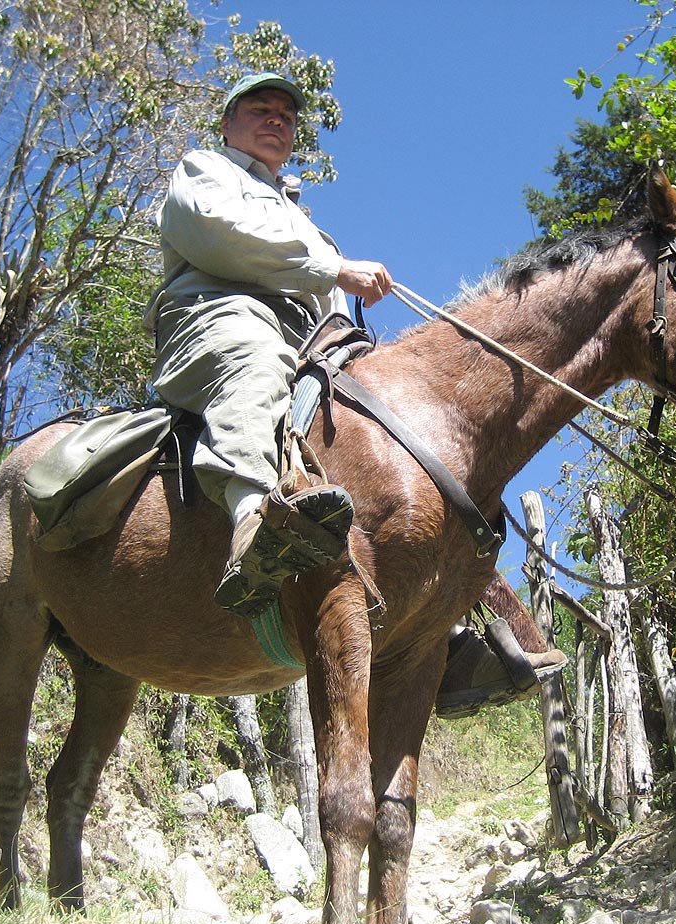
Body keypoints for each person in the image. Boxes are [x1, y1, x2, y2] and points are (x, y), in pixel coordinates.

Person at [145, 72, 564, 708]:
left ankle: (453, 624)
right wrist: (334, 267)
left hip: (308, 339)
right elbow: (216, 233)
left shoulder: (294, 209)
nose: (276, 120)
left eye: (286, 115)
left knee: (403, 447)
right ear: (227, 124)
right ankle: (252, 528)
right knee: (254, 364)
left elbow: (324, 299)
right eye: (260, 109)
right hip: (222, 316)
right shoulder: (205, 171)